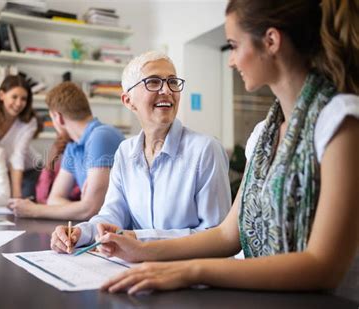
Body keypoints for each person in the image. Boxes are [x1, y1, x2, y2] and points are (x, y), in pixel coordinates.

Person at [95, 0, 359, 295]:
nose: (231, 61)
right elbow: (226, 235)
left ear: (271, 41)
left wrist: (186, 270)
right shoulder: (263, 135)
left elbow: (322, 267)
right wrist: (142, 251)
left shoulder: (341, 120)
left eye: (233, 45)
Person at [50, 51, 231, 253]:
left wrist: (139, 238)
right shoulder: (125, 152)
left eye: (172, 82)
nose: (166, 90)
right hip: (137, 270)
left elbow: (217, 236)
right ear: (128, 100)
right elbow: (112, 214)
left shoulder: (206, 150)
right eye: (153, 82)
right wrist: (79, 233)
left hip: (191, 274)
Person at [8, 82, 124, 220]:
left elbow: (91, 209)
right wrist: (81, 206)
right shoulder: (73, 146)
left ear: (58, 117)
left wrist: (34, 210)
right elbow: (54, 199)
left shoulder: (101, 136)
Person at [0, 75, 39, 199]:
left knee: (20, 206)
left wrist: (17, 195)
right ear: (2, 95)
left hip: (28, 171)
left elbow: (18, 157)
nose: (19, 103)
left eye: (23, 99)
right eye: (14, 97)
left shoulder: (29, 122)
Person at [35, 131, 80, 204]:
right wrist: (50, 162)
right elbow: (41, 199)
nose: (61, 141)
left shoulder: (86, 168)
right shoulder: (57, 167)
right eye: (59, 137)